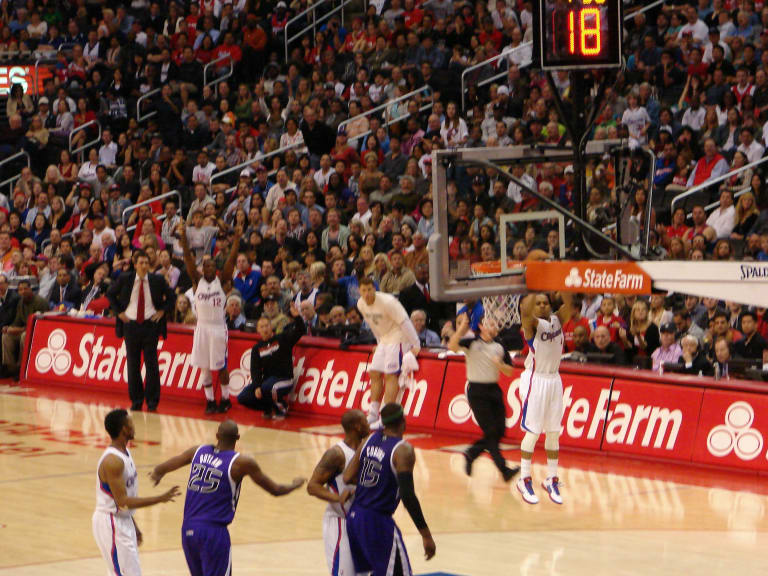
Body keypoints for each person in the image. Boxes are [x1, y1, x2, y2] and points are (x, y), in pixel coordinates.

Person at [149, 420, 305, 576]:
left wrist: (157, 473)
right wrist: (295, 485)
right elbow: (275, 490)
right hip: (213, 532)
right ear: (238, 437)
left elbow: (163, 467)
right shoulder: (241, 463)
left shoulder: (198, 451)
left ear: (217, 435)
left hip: (188, 530)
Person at [342, 403, 436, 575]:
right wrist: (426, 535)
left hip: (355, 517)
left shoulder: (368, 440)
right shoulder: (403, 450)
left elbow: (347, 476)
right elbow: (408, 497)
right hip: (377, 521)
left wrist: (372, 484)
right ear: (403, 421)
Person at [93, 409, 180, 576]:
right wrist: (160, 498)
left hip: (122, 519)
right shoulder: (113, 461)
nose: (134, 426)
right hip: (110, 522)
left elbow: (123, 499)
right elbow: (123, 501)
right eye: (131, 423)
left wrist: (133, 523)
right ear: (124, 429)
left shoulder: (125, 453)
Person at [448, 312, 519, 481]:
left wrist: (499, 364)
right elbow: (452, 346)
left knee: (499, 431)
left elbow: (510, 371)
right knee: (491, 431)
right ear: (481, 326)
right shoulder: (471, 342)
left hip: (494, 390)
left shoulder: (500, 345)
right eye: (490, 323)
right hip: (477, 392)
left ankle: (471, 453)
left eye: (495, 324)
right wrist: (461, 329)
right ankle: (504, 470)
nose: (494, 326)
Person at [517, 291, 573, 505]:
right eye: (537, 303)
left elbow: (571, 301)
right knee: (532, 433)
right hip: (536, 380)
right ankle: (524, 478)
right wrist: (535, 284)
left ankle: (551, 477)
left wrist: (561, 283)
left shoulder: (558, 319)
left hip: (555, 379)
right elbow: (524, 311)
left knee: (553, 432)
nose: (541, 306)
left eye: (545, 303)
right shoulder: (531, 324)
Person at [179, 223, 241, 414]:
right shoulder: (197, 281)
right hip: (201, 328)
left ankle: (225, 398)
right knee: (204, 368)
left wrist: (237, 240)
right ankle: (210, 402)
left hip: (217, 328)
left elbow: (231, 259)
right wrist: (182, 238)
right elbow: (188, 258)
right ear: (202, 268)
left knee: (221, 367)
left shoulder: (221, 281)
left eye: (212, 265)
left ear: (216, 269)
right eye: (206, 265)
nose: (209, 268)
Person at [107, 250, 175, 411]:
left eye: (146, 262)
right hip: (130, 325)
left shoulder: (157, 280)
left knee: (152, 364)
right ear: (135, 264)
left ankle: (152, 402)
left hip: (150, 325)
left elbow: (172, 297)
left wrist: (162, 311)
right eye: (141, 263)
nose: (144, 265)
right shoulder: (125, 278)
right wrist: (119, 313)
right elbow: (110, 294)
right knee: (133, 365)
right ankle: (136, 400)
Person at [307, 410, 370, 576]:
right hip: (340, 524)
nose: (368, 424)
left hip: (361, 524)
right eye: (365, 421)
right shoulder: (336, 454)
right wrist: (337, 498)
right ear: (356, 426)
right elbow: (312, 486)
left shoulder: (368, 451)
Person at [356, 277, 421, 427]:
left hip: (399, 337)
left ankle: (385, 418)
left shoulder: (388, 302)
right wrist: (379, 344)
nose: (367, 293)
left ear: (375, 289)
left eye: (369, 289)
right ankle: (372, 414)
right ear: (359, 291)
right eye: (364, 290)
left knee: (391, 376)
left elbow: (404, 321)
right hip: (384, 339)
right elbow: (374, 325)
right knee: (374, 373)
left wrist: (416, 344)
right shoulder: (360, 304)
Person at [237, 304, 305, 419]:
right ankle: (268, 408)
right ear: (258, 330)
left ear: (271, 326)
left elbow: (300, 330)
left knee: (269, 387)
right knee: (243, 397)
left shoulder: (282, 338)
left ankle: (282, 408)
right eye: (262, 327)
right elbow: (255, 369)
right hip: (267, 381)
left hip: (284, 379)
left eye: (267, 326)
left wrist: (297, 317)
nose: (265, 329)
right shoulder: (257, 348)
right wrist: (257, 386)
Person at [2, 279, 48, 379]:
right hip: (24, 329)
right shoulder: (21, 302)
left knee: (24, 336)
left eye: (25, 289)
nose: (23, 291)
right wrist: (9, 328)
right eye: (20, 290)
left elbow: (39, 325)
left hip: (38, 331)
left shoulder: (40, 302)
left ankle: (21, 368)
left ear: (30, 289)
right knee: (6, 336)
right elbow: (17, 321)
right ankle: (9, 368)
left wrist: (19, 330)